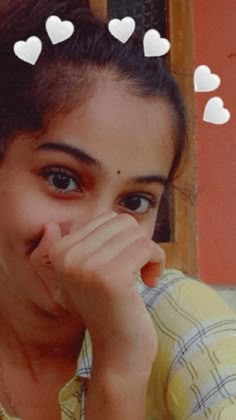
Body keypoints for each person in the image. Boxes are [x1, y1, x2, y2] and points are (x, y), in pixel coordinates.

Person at [0, 1, 235, 419]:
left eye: (134, 202)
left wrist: (121, 362)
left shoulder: (183, 321)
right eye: (62, 179)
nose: (96, 236)